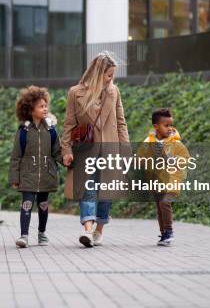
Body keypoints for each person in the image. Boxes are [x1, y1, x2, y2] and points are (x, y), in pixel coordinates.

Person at [61, 51, 130, 247]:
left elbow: (121, 123)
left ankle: (99, 230)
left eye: (113, 75)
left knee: (105, 194)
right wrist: (66, 150)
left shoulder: (114, 91)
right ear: (98, 73)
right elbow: (69, 125)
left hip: (110, 150)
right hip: (86, 151)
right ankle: (88, 232)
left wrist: (126, 153)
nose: (111, 79)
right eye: (109, 75)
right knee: (88, 190)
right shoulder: (76, 93)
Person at [9, 86, 62, 248]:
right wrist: (14, 177)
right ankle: (23, 235)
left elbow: (57, 152)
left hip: (46, 174)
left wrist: (68, 160)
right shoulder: (24, 131)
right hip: (28, 175)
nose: (45, 108)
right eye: (41, 106)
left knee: (43, 205)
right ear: (30, 109)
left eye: (46, 105)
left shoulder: (51, 130)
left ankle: (42, 233)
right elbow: (16, 156)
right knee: (27, 204)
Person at [137, 108, 190, 246]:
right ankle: (164, 233)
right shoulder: (149, 142)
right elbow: (140, 158)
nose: (170, 128)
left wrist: (173, 160)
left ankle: (169, 232)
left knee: (165, 203)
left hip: (172, 180)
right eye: (166, 125)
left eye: (171, 125)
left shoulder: (176, 143)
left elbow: (185, 158)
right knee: (160, 207)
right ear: (156, 126)